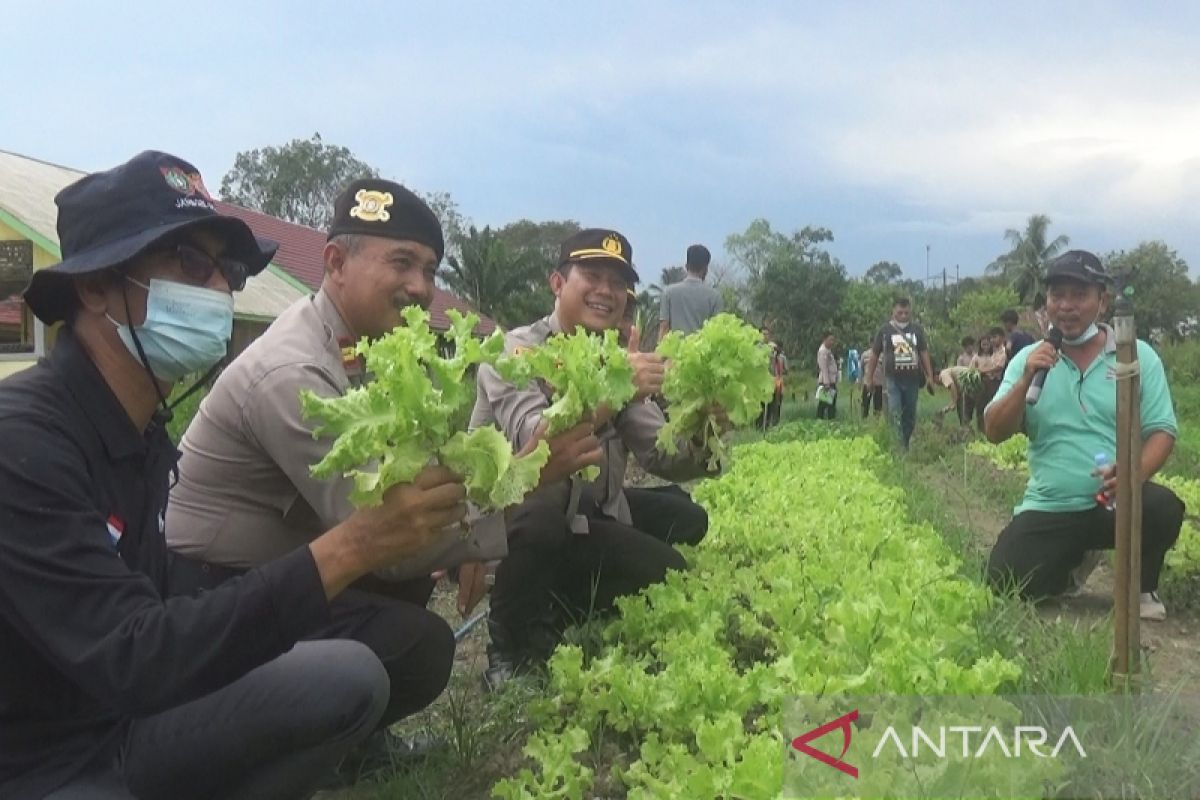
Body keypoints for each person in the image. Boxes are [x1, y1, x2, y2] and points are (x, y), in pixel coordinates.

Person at [0, 152, 472, 799]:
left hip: (125, 719)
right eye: (191, 264)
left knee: (349, 679)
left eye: (231, 271)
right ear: (96, 286)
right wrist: (356, 546)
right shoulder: (24, 442)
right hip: (41, 757)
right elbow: (134, 657)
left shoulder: (141, 427)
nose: (219, 290)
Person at [164, 179, 605, 765]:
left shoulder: (365, 346)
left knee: (412, 582)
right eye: (401, 262)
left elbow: (407, 493)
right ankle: (312, 751)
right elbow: (387, 536)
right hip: (214, 594)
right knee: (421, 651)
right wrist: (523, 478)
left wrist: (469, 530)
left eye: (429, 268)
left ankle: (348, 733)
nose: (421, 287)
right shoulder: (294, 371)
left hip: (287, 566)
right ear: (335, 263)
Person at [470, 228, 720, 688]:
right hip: (514, 523)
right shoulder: (518, 351)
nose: (607, 291)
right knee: (549, 509)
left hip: (585, 510)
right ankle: (511, 643)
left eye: (618, 281)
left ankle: (558, 599)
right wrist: (620, 384)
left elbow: (661, 454)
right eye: (592, 275)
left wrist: (710, 427)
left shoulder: (610, 356)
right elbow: (540, 441)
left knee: (684, 520)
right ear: (557, 283)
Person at [984, 251, 1184, 621]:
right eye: (1057, 295)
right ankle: (1070, 564)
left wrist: (1132, 474)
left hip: (1111, 502)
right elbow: (994, 431)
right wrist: (1026, 377)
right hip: (1051, 504)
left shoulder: (1134, 355)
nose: (1067, 306)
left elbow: (1162, 431)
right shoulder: (1028, 358)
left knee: (1163, 507)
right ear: (1046, 303)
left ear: (1102, 301)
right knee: (1002, 583)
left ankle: (1141, 586)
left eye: (1079, 296)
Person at [865, 297, 936, 448]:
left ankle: (905, 441)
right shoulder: (885, 330)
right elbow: (874, 354)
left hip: (912, 379)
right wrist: (868, 378)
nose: (903, 315)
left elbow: (924, 353)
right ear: (893, 312)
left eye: (906, 312)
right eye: (900, 312)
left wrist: (930, 376)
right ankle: (899, 447)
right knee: (895, 412)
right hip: (893, 379)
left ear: (910, 312)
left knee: (910, 414)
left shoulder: (916, 330)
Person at [657, 243, 722, 339]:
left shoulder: (668, 293)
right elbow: (717, 332)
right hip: (703, 353)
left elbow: (664, 328)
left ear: (686, 266)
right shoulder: (715, 297)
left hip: (673, 353)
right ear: (706, 269)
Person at [970, 328, 1008, 432]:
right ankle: (981, 429)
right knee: (980, 406)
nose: (988, 344)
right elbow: (971, 369)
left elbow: (999, 367)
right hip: (981, 382)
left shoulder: (1001, 352)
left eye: (993, 338)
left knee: (992, 405)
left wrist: (983, 371)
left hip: (994, 382)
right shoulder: (977, 357)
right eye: (984, 344)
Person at [760, 325, 787, 428]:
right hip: (761, 380)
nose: (765, 336)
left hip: (773, 379)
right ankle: (760, 426)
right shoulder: (758, 348)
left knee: (772, 404)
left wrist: (776, 351)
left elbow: (778, 358)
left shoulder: (772, 347)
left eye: (767, 334)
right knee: (761, 406)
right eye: (763, 334)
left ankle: (769, 425)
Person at [816, 332, 838, 420]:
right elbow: (823, 367)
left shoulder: (827, 350)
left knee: (830, 404)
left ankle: (829, 421)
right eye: (830, 340)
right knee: (825, 405)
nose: (832, 342)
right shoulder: (823, 351)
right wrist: (826, 383)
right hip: (826, 382)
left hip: (830, 381)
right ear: (824, 339)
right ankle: (821, 421)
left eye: (833, 340)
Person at [859, 342, 885, 418]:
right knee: (865, 404)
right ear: (870, 343)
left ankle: (876, 421)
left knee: (878, 405)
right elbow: (861, 368)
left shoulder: (882, 355)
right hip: (867, 383)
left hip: (878, 383)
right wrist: (860, 381)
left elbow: (884, 370)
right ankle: (864, 419)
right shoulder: (865, 354)